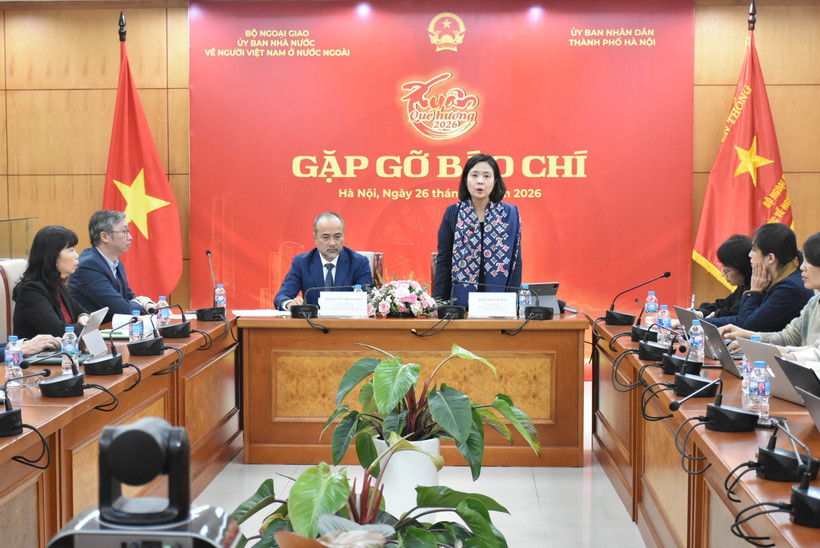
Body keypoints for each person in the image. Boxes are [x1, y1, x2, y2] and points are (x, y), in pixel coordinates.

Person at [432, 154, 522, 306]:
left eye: (487, 176)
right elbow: (444, 261)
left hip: (498, 304)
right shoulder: (453, 213)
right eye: (474, 175)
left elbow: (515, 262)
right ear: (466, 180)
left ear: (495, 181)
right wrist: (438, 303)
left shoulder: (510, 214)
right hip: (460, 303)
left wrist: (514, 303)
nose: (480, 181)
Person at [721, 231, 820, 365]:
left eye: (809, 261)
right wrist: (750, 338)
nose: (802, 267)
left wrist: (769, 351)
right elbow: (789, 336)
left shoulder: (790, 287)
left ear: (771, 258)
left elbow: (816, 353)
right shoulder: (814, 301)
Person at [706, 223, 813, 331]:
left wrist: (754, 291)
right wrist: (700, 323)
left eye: (754, 250)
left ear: (770, 258)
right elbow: (743, 319)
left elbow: (748, 325)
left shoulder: (790, 288)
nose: (750, 255)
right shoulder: (775, 277)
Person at [68, 210, 156, 323]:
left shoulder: (116, 262)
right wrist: (143, 304)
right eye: (124, 231)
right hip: (94, 335)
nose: (130, 237)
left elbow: (129, 297)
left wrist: (148, 304)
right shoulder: (88, 266)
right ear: (105, 237)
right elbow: (122, 309)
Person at [274, 212, 373, 310]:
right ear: (315, 238)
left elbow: (368, 299)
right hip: (312, 324)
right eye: (326, 238)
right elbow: (282, 297)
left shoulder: (359, 263)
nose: (332, 243)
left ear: (344, 236)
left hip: (348, 324)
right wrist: (289, 304)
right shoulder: (302, 263)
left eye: (337, 237)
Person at [12, 226, 89, 339]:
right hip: (38, 356)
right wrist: (88, 327)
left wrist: (83, 316)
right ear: (52, 257)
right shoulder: (31, 291)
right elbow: (59, 331)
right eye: (71, 250)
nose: (77, 255)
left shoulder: (57, 285)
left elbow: (85, 313)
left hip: (63, 353)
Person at [695, 234, 753, 320]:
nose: (723, 275)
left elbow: (734, 313)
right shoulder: (743, 285)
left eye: (727, 270)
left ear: (742, 266)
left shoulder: (755, 288)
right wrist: (700, 313)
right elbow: (723, 305)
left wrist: (715, 314)